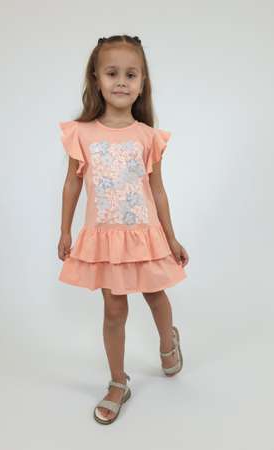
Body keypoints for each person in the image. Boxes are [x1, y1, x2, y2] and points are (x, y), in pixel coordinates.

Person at [57, 34, 189, 425]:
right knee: (114, 310)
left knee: (155, 296)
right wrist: (65, 231)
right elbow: (72, 185)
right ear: (96, 79)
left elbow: (158, 190)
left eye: (131, 75)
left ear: (142, 83)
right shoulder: (82, 134)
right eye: (112, 73)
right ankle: (118, 382)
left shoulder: (147, 137)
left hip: (145, 237)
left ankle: (168, 340)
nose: (121, 82)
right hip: (105, 241)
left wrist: (171, 237)